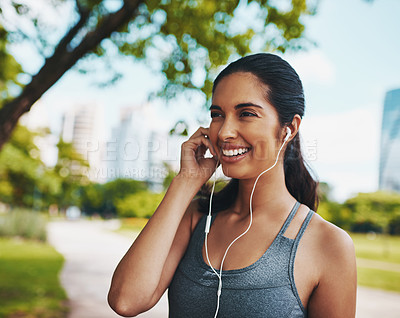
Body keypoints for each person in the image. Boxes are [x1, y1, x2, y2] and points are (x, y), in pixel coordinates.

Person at [108, 53, 357, 317]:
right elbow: (126, 300)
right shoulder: (196, 219)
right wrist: (186, 181)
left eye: (246, 113)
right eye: (217, 114)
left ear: (289, 128)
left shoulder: (328, 245)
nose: (225, 132)